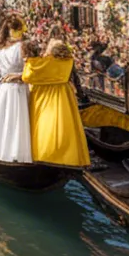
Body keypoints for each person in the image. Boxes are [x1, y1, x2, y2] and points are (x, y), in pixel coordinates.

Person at [22, 38, 91, 167]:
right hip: (64, 96)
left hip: (44, 98)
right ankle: (69, 158)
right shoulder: (68, 61)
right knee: (66, 126)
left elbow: (27, 76)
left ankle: (45, 155)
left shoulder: (44, 63)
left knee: (45, 126)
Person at [0, 17, 33, 164]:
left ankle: (0, 151)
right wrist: (18, 76)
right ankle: (17, 154)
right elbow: (30, 70)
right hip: (17, 87)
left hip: (3, 88)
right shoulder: (22, 46)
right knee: (17, 120)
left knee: (4, 119)